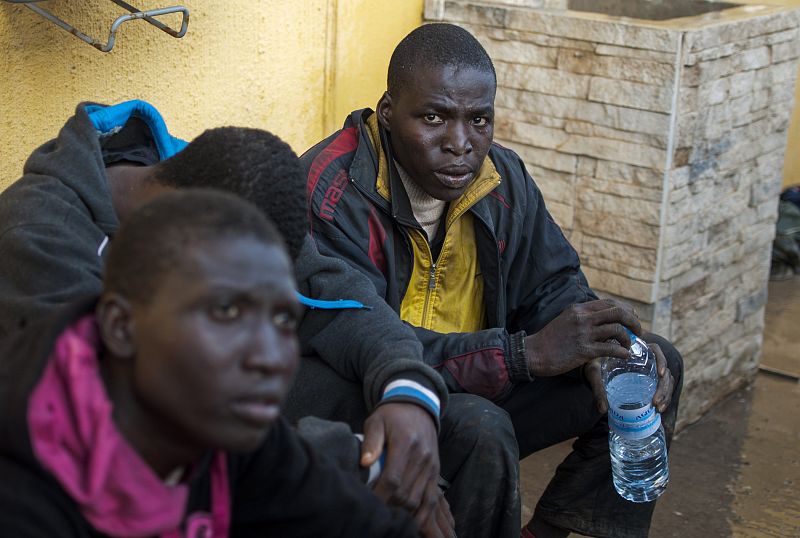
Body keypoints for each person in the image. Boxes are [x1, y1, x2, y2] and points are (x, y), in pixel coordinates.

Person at [0, 101, 454, 536]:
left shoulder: (210, 187)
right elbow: (115, 419)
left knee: (459, 430)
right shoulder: (37, 236)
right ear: (119, 324)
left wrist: (407, 390)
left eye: (279, 316)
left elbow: (329, 288)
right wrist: (369, 460)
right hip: (123, 445)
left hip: (208, 423)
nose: (270, 357)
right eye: (227, 308)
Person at [302, 23, 684, 538]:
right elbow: (370, 342)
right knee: (482, 427)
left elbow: (551, 283)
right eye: (433, 118)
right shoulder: (332, 194)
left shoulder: (500, 178)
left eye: (478, 119)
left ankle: (548, 531)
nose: (460, 144)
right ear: (389, 113)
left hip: (482, 374)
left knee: (642, 362)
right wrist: (524, 355)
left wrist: (594, 346)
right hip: (377, 400)